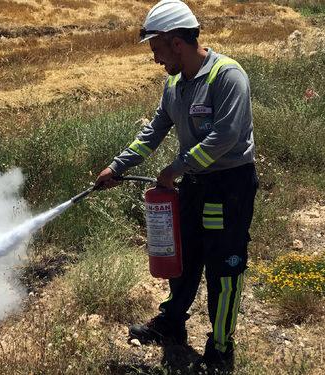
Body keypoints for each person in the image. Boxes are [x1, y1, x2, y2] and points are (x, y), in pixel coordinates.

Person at [95, 0, 258, 371]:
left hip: (228, 186)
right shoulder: (174, 85)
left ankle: (220, 347)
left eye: (156, 49)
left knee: (223, 267)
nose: (155, 59)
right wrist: (117, 166)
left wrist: (177, 167)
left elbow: (226, 137)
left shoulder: (228, 76)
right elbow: (153, 131)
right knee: (183, 259)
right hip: (195, 186)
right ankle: (172, 324)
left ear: (176, 44)